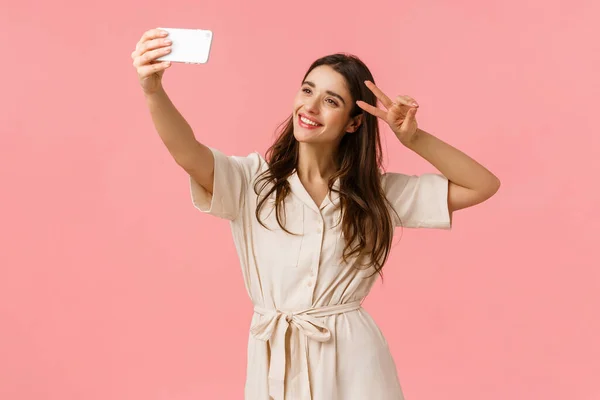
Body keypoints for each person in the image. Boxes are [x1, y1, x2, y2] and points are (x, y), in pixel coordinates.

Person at [131, 28, 500, 400]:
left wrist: (414, 139)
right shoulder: (250, 182)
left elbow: (481, 185)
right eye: (307, 90)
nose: (310, 107)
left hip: (355, 367)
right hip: (274, 361)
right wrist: (153, 91)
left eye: (331, 101)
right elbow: (186, 152)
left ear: (354, 122)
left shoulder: (376, 194)